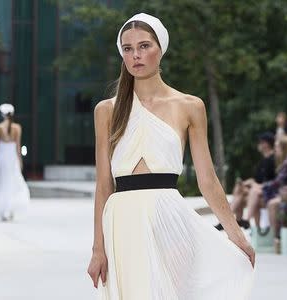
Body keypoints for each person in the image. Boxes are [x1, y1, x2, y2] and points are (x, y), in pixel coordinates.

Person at [87, 13, 254, 300]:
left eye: (144, 46)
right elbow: (104, 185)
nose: (136, 55)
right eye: (128, 49)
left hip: (169, 217)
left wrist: (235, 234)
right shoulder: (106, 110)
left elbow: (207, 180)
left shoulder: (190, 106)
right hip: (121, 222)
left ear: (160, 49)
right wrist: (97, 249)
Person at [0, 103, 29, 221]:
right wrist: (20, 160)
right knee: (12, 183)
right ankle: (10, 209)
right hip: (12, 159)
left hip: (2, 158)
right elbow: (18, 146)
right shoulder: (17, 128)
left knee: (1, 183)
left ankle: (4, 209)